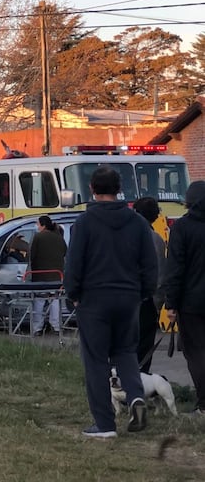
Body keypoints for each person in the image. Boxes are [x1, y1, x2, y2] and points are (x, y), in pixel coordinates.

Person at [64, 166, 158, 438]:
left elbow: (74, 263)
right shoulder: (138, 222)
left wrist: (73, 294)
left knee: (96, 360)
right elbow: (150, 265)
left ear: (92, 188)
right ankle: (137, 398)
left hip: (94, 299)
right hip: (129, 298)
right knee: (126, 352)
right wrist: (143, 293)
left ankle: (104, 424)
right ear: (119, 189)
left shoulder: (84, 222)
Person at [162, 180, 205, 416]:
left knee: (197, 351)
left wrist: (171, 303)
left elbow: (176, 268)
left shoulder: (183, 227)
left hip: (192, 301)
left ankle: (204, 403)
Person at [133, 197, 167, 373]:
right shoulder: (155, 239)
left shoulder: (122, 235)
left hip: (122, 299)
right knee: (144, 347)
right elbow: (160, 277)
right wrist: (158, 303)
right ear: (155, 216)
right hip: (146, 301)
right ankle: (140, 384)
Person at [27, 215, 67, 336]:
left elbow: (31, 255)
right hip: (56, 275)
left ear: (43, 225)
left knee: (39, 301)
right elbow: (65, 252)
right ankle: (56, 327)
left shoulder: (38, 237)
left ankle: (37, 328)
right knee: (54, 301)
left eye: (37, 224)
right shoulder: (59, 237)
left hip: (40, 275)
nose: (37, 226)